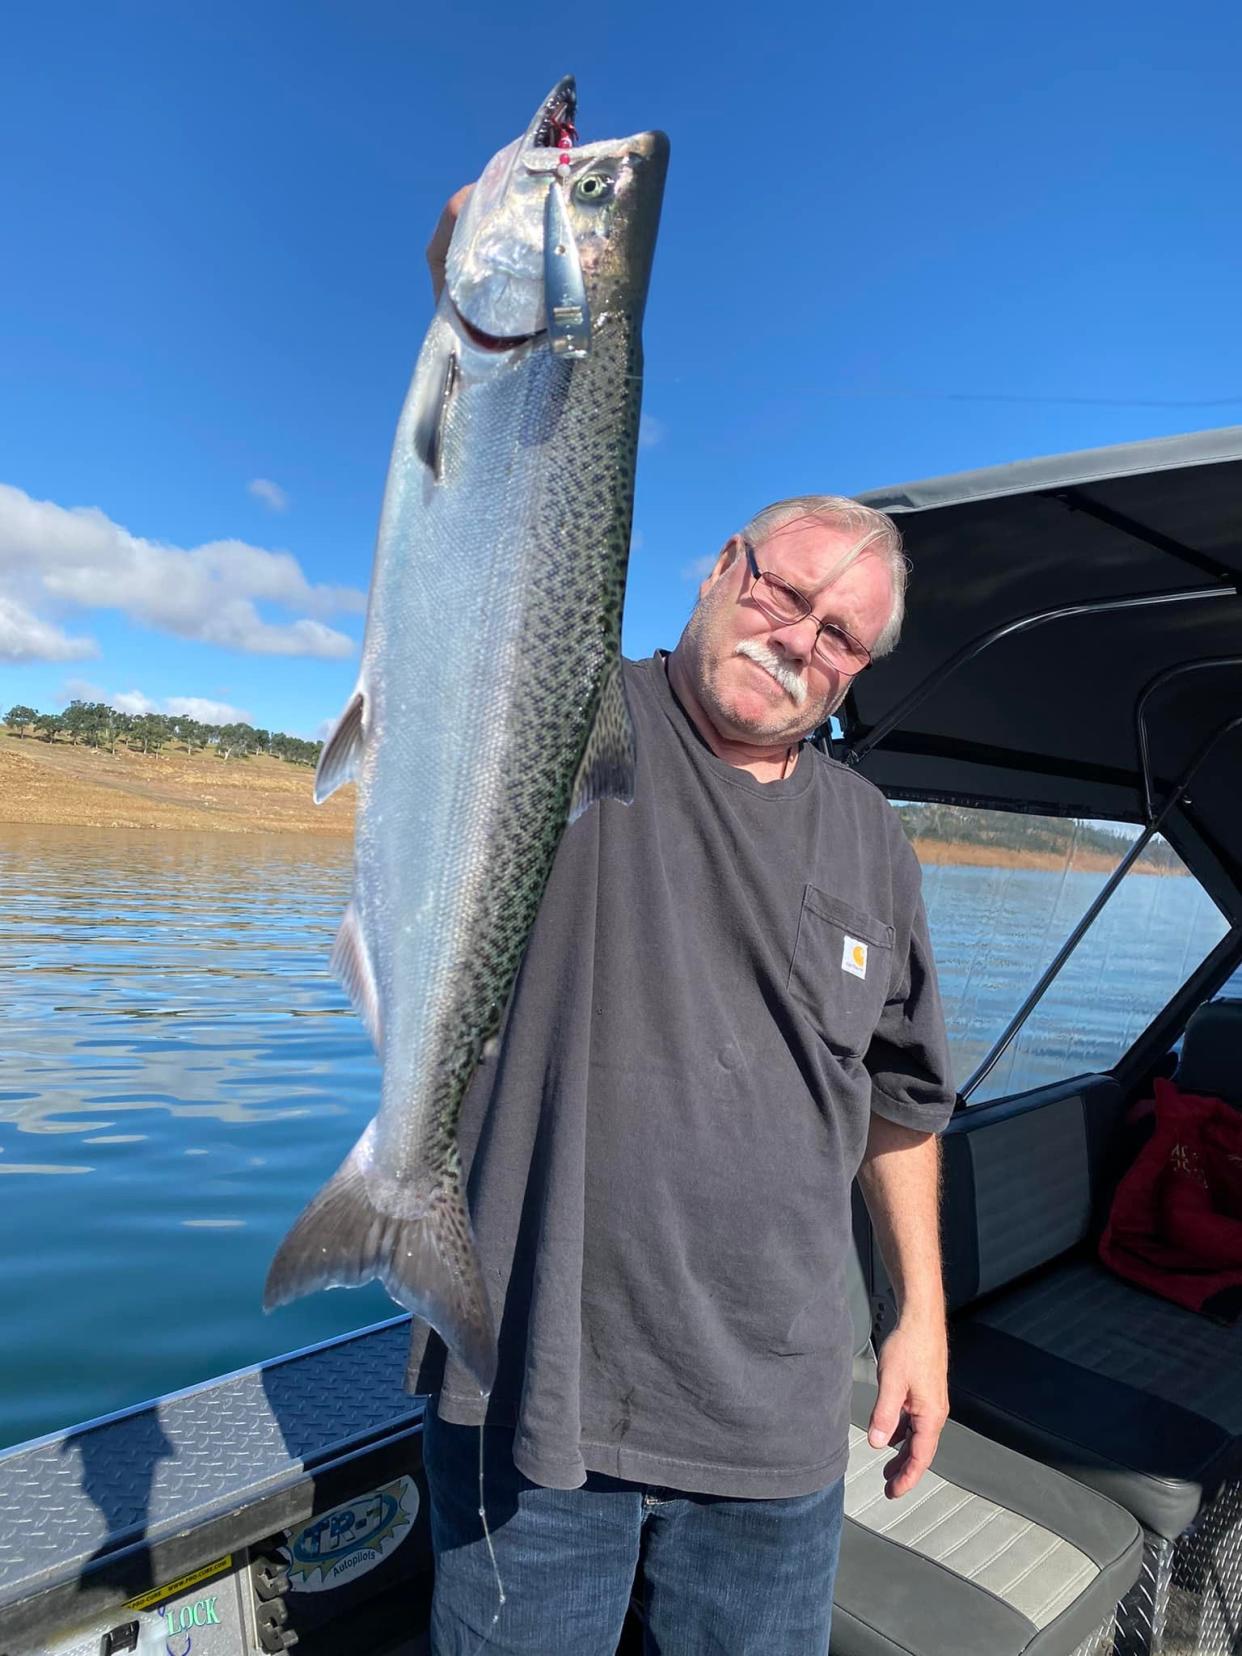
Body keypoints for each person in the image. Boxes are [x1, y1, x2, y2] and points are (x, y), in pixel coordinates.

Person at [413, 194, 956, 1655]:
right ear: (723, 569)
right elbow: (481, 534)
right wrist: (489, 298)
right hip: (539, 1404)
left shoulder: (871, 838)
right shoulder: (565, 716)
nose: (795, 638)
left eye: (837, 636)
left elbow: (898, 1106)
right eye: (784, 593)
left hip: (776, 1433)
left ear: (853, 673)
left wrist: (919, 1322)